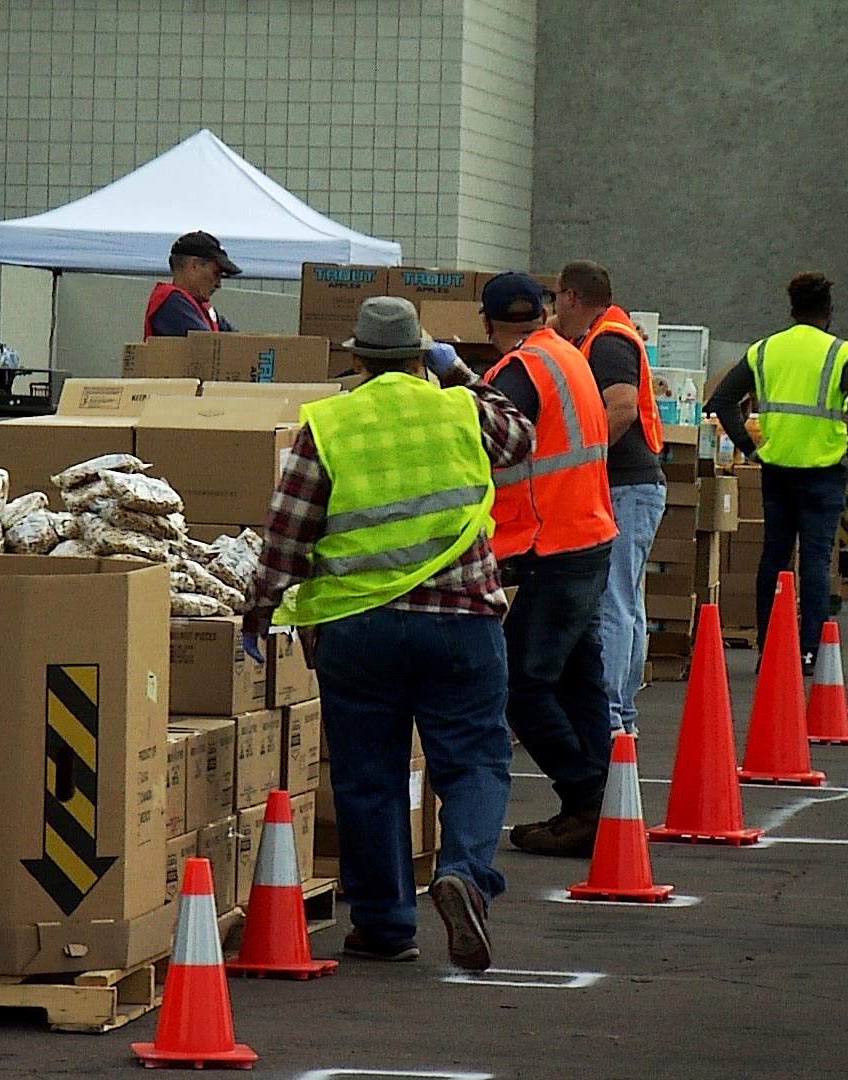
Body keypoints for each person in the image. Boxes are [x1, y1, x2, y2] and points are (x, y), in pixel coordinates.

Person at [245, 295, 531, 972]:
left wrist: (261, 608)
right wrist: (459, 370)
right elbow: (521, 435)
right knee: (475, 761)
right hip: (462, 622)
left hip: (359, 628)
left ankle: (384, 924)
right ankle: (463, 870)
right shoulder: (460, 407)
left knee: (367, 775)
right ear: (420, 353)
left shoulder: (331, 425)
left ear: (355, 358)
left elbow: (288, 534)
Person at [476, 272, 619, 858]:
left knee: (522, 686)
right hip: (587, 535)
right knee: (578, 680)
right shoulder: (565, 352)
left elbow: (496, 438)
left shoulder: (516, 373)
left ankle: (586, 800)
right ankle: (610, 807)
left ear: (486, 324)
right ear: (540, 311)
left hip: (553, 546)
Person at [707, 272, 848, 669]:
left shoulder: (766, 350)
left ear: (792, 308)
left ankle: (768, 646)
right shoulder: (843, 353)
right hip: (824, 471)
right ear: (828, 311)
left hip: (777, 467)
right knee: (816, 560)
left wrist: (750, 450)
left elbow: (722, 400)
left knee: (774, 556)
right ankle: (808, 651)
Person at [553, 259, 664, 740]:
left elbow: (619, 407)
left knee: (614, 602)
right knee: (627, 600)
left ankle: (613, 714)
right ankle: (623, 714)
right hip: (635, 487)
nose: (554, 307)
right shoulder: (609, 335)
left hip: (624, 487)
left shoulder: (609, 342)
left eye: (557, 296)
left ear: (572, 297)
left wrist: (584, 461)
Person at [144, 231, 240, 338]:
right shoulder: (172, 302)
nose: (218, 284)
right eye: (216, 273)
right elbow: (207, 344)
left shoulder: (203, 309)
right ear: (194, 265)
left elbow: (238, 342)